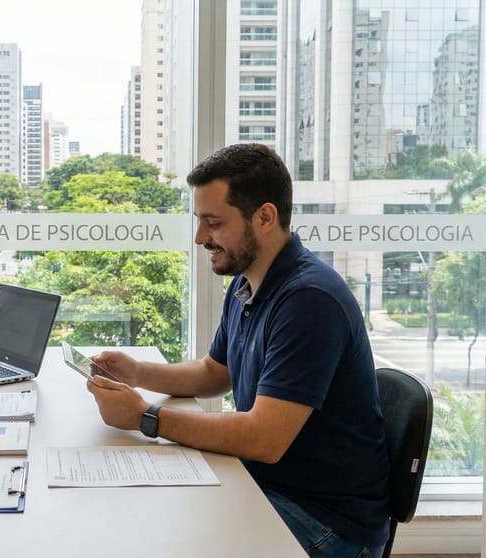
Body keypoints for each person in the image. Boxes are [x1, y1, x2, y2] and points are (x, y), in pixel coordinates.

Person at [86, 143, 389, 558]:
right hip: (268, 485)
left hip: (325, 521)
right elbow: (215, 371)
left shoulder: (309, 299)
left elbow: (264, 438)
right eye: (199, 221)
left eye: (213, 222)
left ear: (265, 217)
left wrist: (146, 417)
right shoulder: (248, 282)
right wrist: (138, 373)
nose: (199, 238)